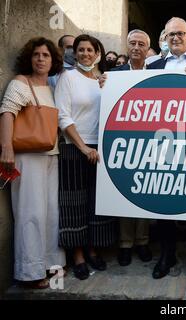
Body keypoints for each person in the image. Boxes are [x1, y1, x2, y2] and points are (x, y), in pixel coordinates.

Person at [148, 17, 186, 280]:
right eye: (171, 34)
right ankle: (167, 254)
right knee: (164, 201)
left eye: (180, 33)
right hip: (162, 144)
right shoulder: (153, 67)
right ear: (164, 37)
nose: (175, 37)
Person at [0, 37, 66, 289]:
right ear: (29, 58)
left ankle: (48, 264)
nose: (41, 59)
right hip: (26, 157)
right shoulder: (21, 82)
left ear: (53, 60)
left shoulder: (50, 87)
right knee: (30, 214)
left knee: (49, 212)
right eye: (36, 54)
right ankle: (29, 273)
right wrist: (6, 148)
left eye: (46, 55)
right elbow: (7, 112)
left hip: (50, 155)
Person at [55, 34, 116, 281]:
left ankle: (92, 249)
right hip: (74, 148)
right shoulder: (67, 78)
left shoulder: (104, 80)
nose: (85, 54)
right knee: (74, 203)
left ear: (98, 53)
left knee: (95, 202)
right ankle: (78, 255)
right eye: (81, 50)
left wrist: (107, 86)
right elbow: (63, 117)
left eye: (90, 50)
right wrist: (83, 148)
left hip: (100, 148)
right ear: (75, 53)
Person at [108, 29, 153, 266]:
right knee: (125, 190)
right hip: (123, 140)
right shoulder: (112, 74)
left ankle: (142, 241)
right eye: (132, 43)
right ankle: (125, 244)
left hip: (151, 141)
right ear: (127, 46)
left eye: (141, 44)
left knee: (145, 191)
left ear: (148, 48)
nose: (136, 47)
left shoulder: (158, 72)